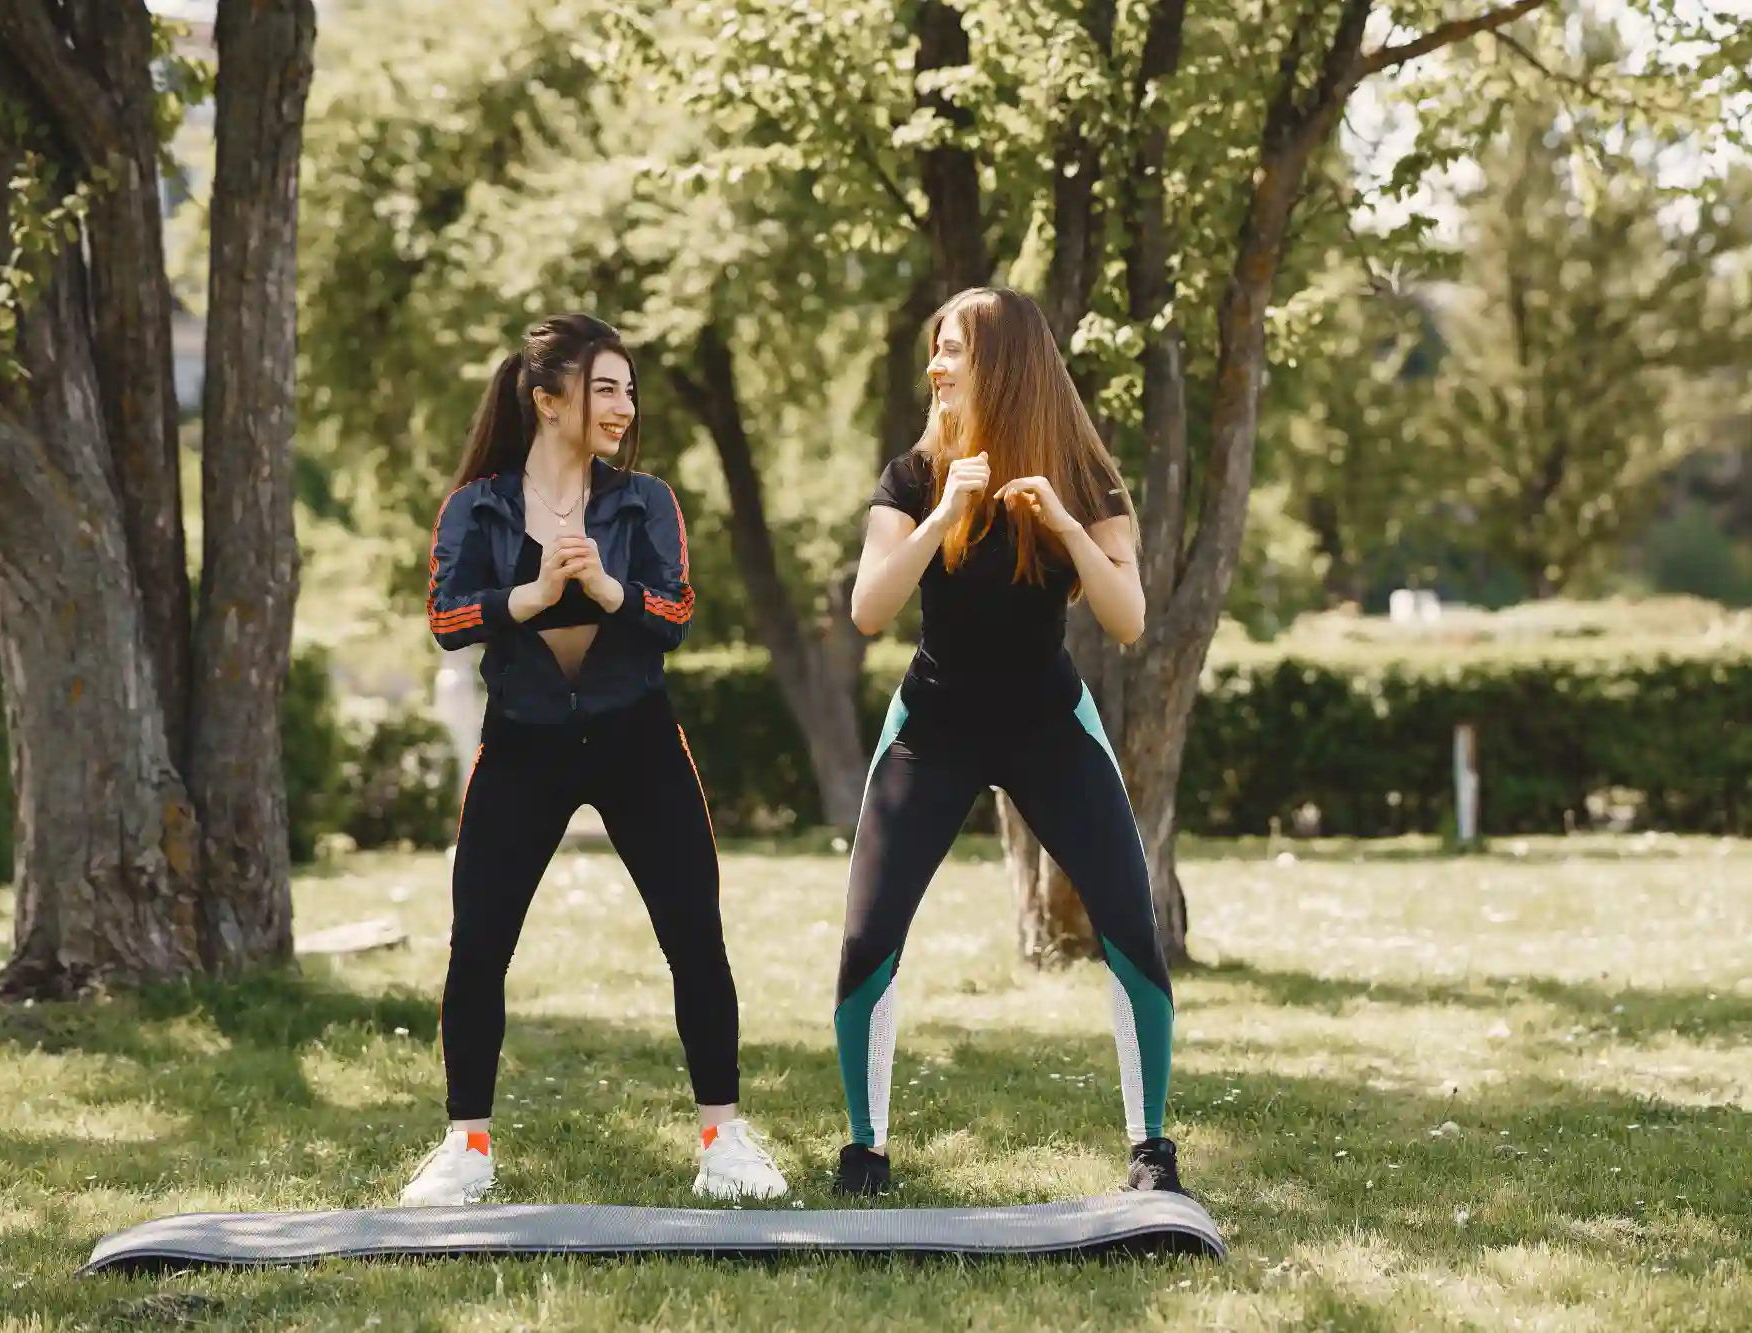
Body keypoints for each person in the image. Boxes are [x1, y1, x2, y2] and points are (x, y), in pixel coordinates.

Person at [402, 313, 786, 1206]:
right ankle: (467, 1146)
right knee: (479, 943)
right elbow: (449, 619)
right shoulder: (478, 507)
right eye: (603, 387)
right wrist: (530, 595)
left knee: (695, 933)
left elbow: (677, 615)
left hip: (636, 736)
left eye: (628, 388)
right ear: (546, 401)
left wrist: (609, 590)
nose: (624, 404)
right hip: (524, 740)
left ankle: (724, 1139)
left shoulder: (642, 501)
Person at [830, 287, 1183, 1197]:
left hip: (1047, 727)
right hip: (934, 728)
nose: (937, 366)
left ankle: (1150, 1148)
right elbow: (869, 609)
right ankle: (865, 1150)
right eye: (936, 350)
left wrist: (1062, 522)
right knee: (868, 936)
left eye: (953, 350)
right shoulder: (912, 476)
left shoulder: (1083, 475)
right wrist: (946, 514)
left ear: (1005, 365)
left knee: (1131, 925)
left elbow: (1130, 619)